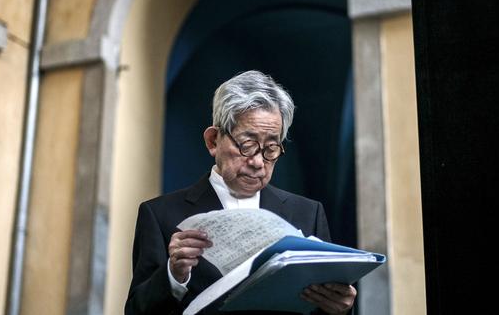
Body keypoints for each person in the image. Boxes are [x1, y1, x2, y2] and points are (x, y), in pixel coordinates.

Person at [125, 70, 357, 315]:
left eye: (271, 148)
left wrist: (341, 308)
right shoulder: (161, 215)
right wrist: (173, 275)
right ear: (213, 141)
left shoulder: (308, 214)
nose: (258, 162)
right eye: (247, 144)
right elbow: (135, 311)